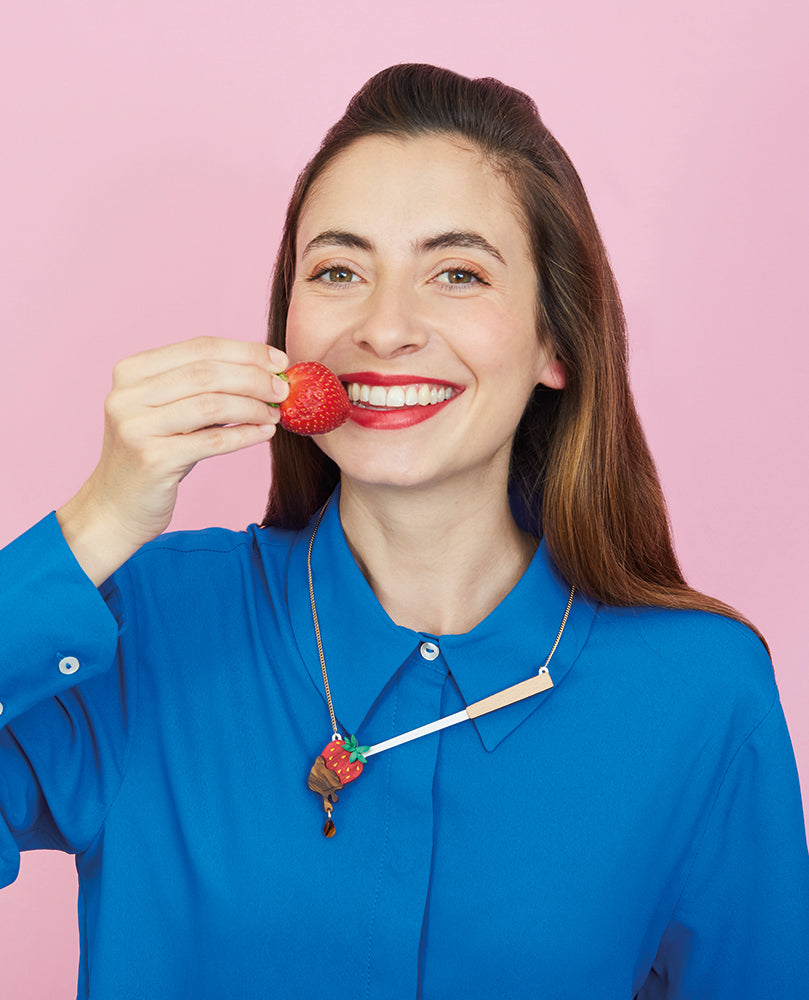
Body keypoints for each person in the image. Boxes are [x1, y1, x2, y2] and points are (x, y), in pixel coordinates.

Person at [1, 63, 807, 999]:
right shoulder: (143, 624)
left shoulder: (701, 694)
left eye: (455, 273)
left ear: (556, 341)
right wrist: (97, 520)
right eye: (339, 271)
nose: (384, 328)